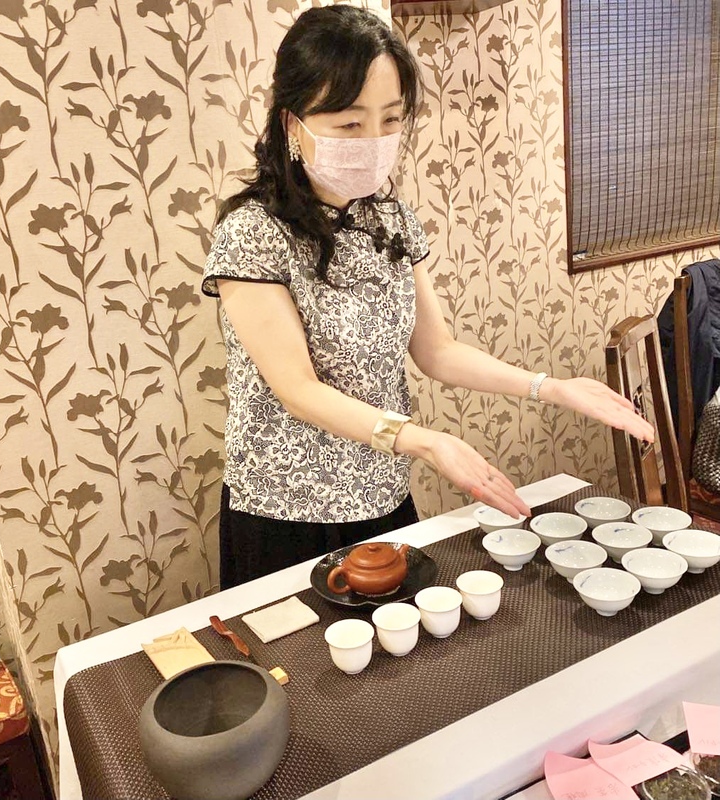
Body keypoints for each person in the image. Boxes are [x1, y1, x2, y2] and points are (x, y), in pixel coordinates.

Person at [202, 4, 654, 590]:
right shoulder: (252, 233)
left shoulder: (389, 219)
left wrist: (549, 387)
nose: (374, 141)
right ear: (293, 124)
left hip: (381, 493)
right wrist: (425, 441)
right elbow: (298, 388)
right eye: (349, 124)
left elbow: (437, 351)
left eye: (391, 119)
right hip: (284, 509)